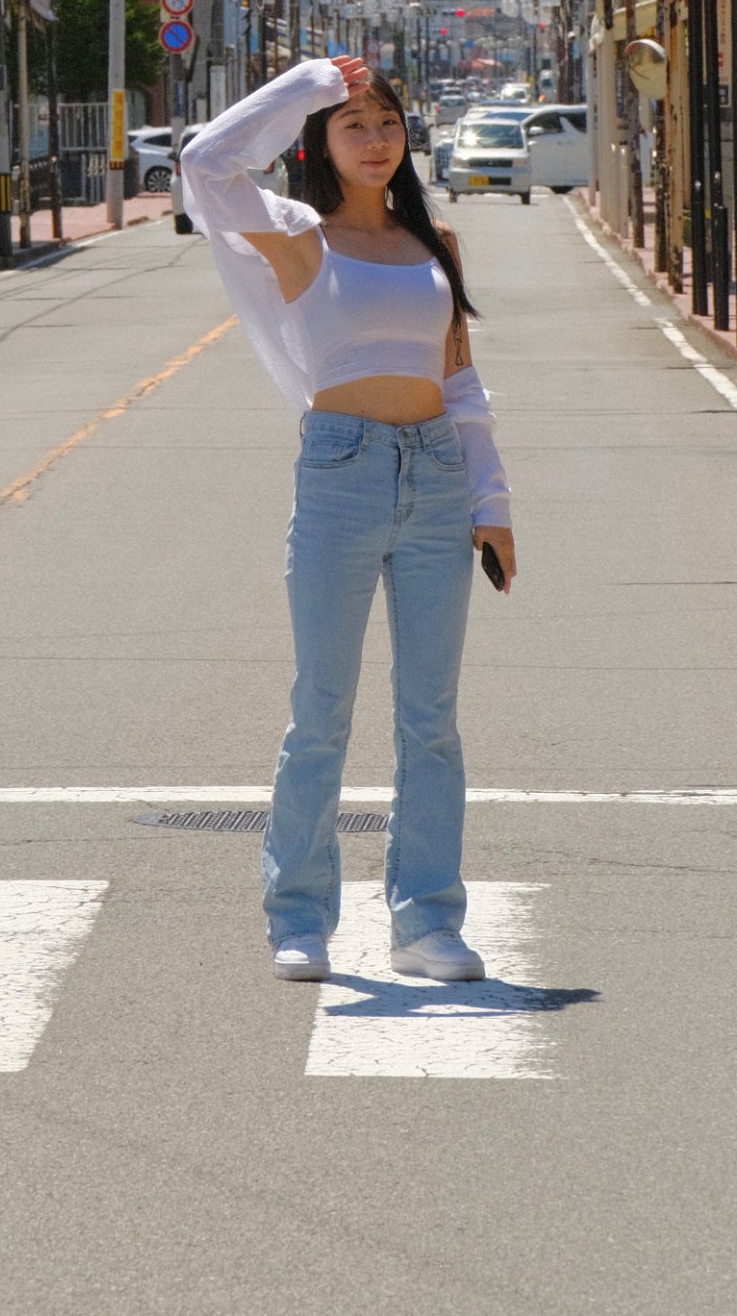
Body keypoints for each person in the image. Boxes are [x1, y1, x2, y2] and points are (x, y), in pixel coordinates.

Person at [179, 52, 514, 984]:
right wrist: (308, 84)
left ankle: (427, 922)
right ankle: (299, 917)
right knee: (321, 712)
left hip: (437, 477)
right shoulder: (297, 237)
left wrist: (492, 503)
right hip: (341, 474)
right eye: (353, 125)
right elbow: (205, 164)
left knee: (431, 718)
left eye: (387, 123)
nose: (375, 140)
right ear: (319, 142)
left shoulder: (436, 241)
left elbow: (460, 379)